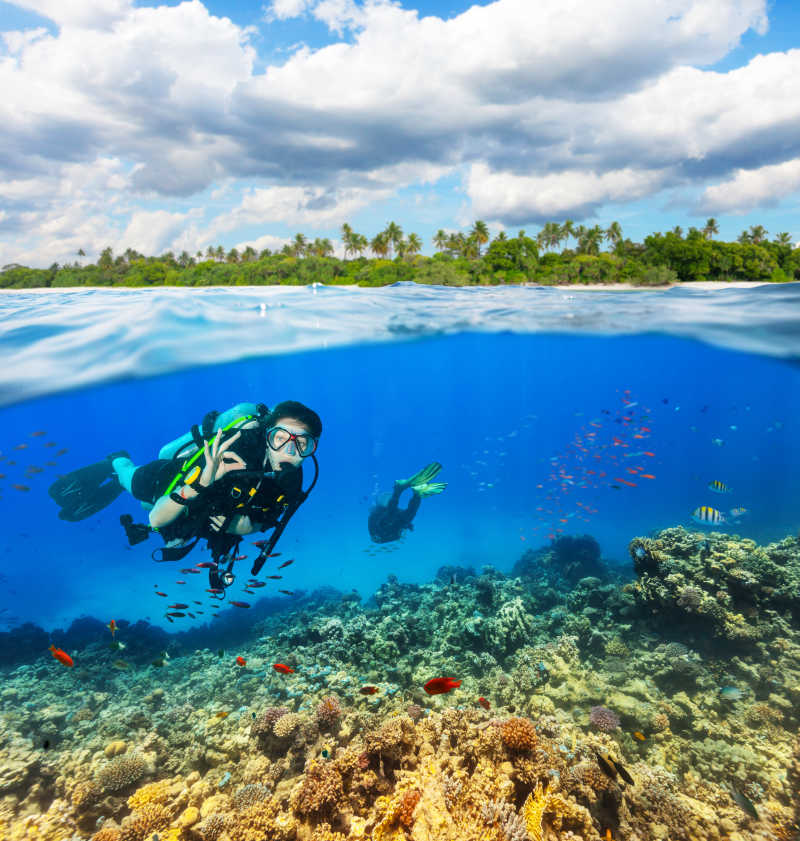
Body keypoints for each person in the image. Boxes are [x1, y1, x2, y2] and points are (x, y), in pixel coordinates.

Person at [49, 401, 321, 585]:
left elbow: (269, 521)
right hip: (171, 481)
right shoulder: (230, 449)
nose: (289, 451)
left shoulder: (292, 481)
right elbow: (156, 520)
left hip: (201, 514)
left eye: (302, 444)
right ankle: (116, 462)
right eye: (280, 438)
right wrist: (203, 479)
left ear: (312, 448)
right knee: (136, 487)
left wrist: (245, 525)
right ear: (266, 436)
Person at [368, 462, 446, 543]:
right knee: (408, 516)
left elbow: (389, 514)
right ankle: (417, 494)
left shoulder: (377, 515)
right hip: (389, 524)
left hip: (385, 524)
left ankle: (398, 489)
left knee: (391, 516)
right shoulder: (375, 516)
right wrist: (408, 525)